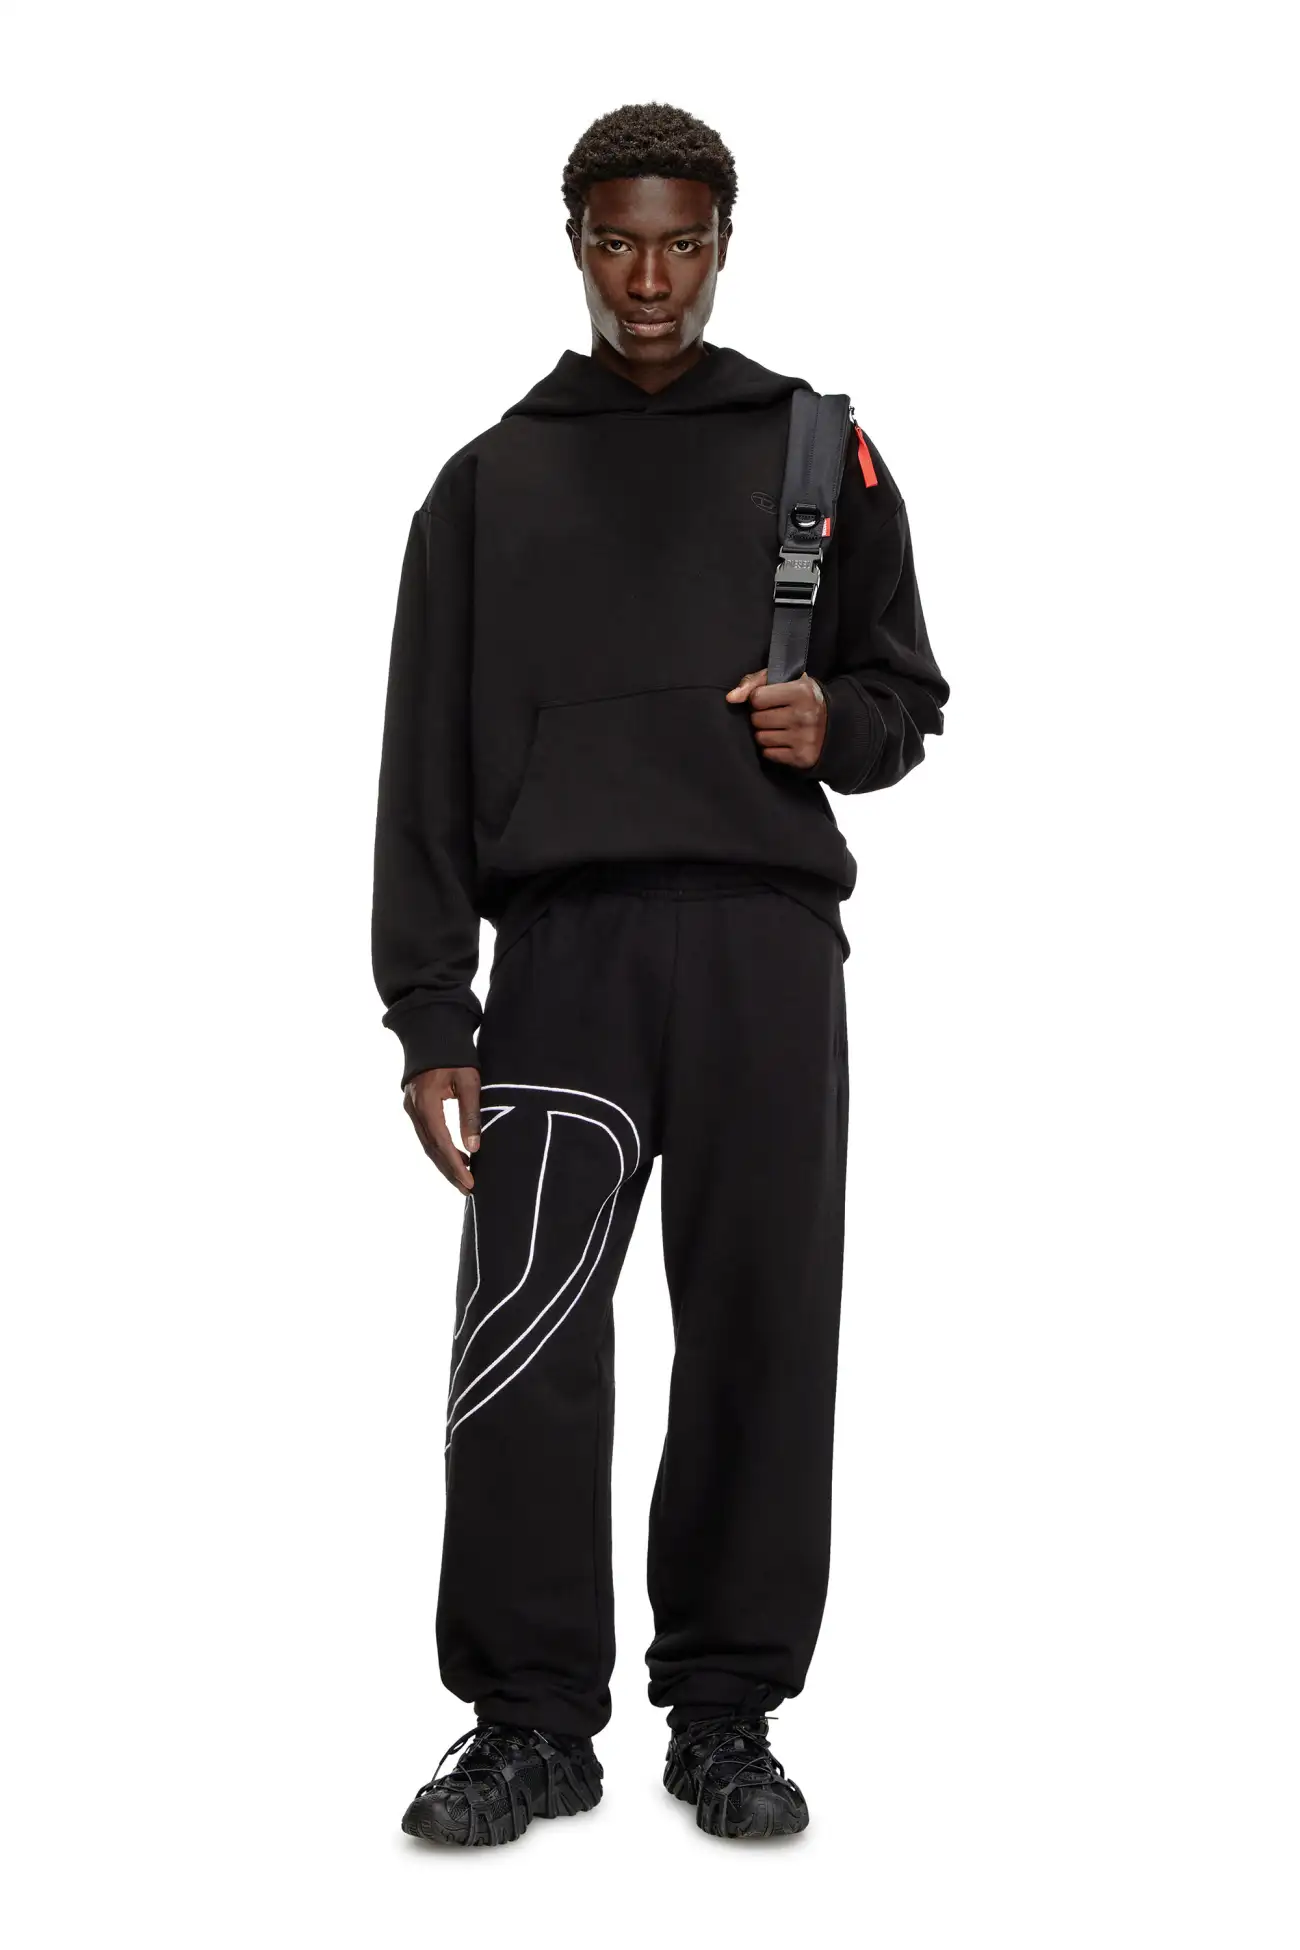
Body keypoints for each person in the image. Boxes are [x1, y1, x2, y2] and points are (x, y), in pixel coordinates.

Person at [371, 101, 950, 1846]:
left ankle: (728, 1711)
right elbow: (420, 767)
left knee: (763, 1330)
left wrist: (833, 722)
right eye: (618, 241)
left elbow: (906, 695)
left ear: (722, 243)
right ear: (574, 241)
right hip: (565, 955)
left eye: (681, 242)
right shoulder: (488, 483)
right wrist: (430, 1011)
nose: (649, 278)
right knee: (529, 1333)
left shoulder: (817, 449)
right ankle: (527, 1724)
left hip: (768, 952)